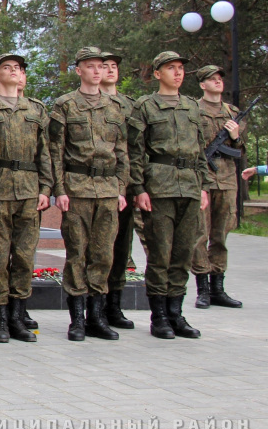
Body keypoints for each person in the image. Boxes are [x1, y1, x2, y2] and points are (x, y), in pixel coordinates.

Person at [47, 47, 129, 342]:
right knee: (77, 254)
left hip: (107, 189)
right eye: (91, 66)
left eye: (101, 66)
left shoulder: (115, 107)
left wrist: (121, 188)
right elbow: (55, 150)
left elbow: (122, 152)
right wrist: (59, 189)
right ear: (78, 70)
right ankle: (77, 320)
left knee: (103, 255)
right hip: (77, 188)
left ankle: (97, 317)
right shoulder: (66, 104)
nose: (97, 71)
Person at [128, 51, 210, 340]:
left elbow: (201, 149)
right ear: (157, 74)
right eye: (171, 68)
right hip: (160, 187)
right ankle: (159, 316)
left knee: (183, 253)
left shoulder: (192, 106)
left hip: (190, 186)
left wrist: (204, 186)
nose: (178, 73)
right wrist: (139, 188)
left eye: (180, 68)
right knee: (160, 253)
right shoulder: (145, 106)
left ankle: (176, 313)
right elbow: (135, 151)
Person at [0, 53, 53, 344]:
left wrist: (46, 188)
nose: (14, 71)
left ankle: (18, 317)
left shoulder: (37, 109)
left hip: (29, 191)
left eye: (18, 68)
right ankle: (0, 320)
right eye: (7, 67)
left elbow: (45, 151)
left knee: (24, 257)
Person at [191, 65, 245, 309]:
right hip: (203, 179)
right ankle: (202, 289)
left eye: (219, 79)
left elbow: (240, 149)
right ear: (202, 85)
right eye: (211, 79)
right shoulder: (193, 110)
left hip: (227, 179)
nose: (217, 82)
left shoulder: (232, 112)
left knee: (221, 235)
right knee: (200, 234)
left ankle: (218, 288)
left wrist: (235, 137)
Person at [99, 51, 138, 329]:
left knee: (122, 246)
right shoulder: (83, 103)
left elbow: (136, 147)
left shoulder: (130, 106)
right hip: (94, 185)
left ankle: (114, 305)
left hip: (124, 185)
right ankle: (96, 305)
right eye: (105, 66)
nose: (110, 70)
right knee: (98, 248)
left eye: (114, 66)